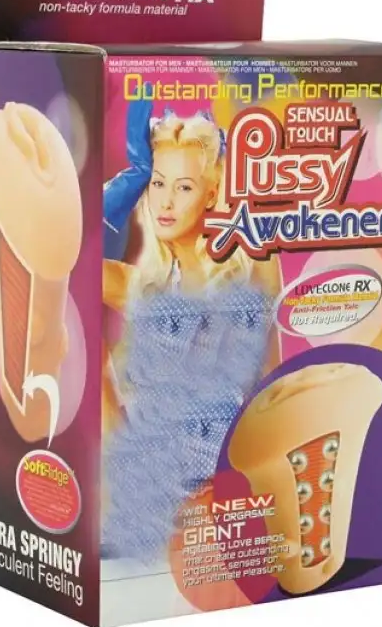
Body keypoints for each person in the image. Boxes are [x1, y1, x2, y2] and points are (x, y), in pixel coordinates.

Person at [101, 90, 282, 434]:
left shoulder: (252, 270)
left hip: (232, 456)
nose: (165, 202)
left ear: (211, 194)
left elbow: (271, 386)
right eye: (158, 183)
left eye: (183, 187)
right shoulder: (141, 286)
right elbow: (69, 257)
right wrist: (130, 181)